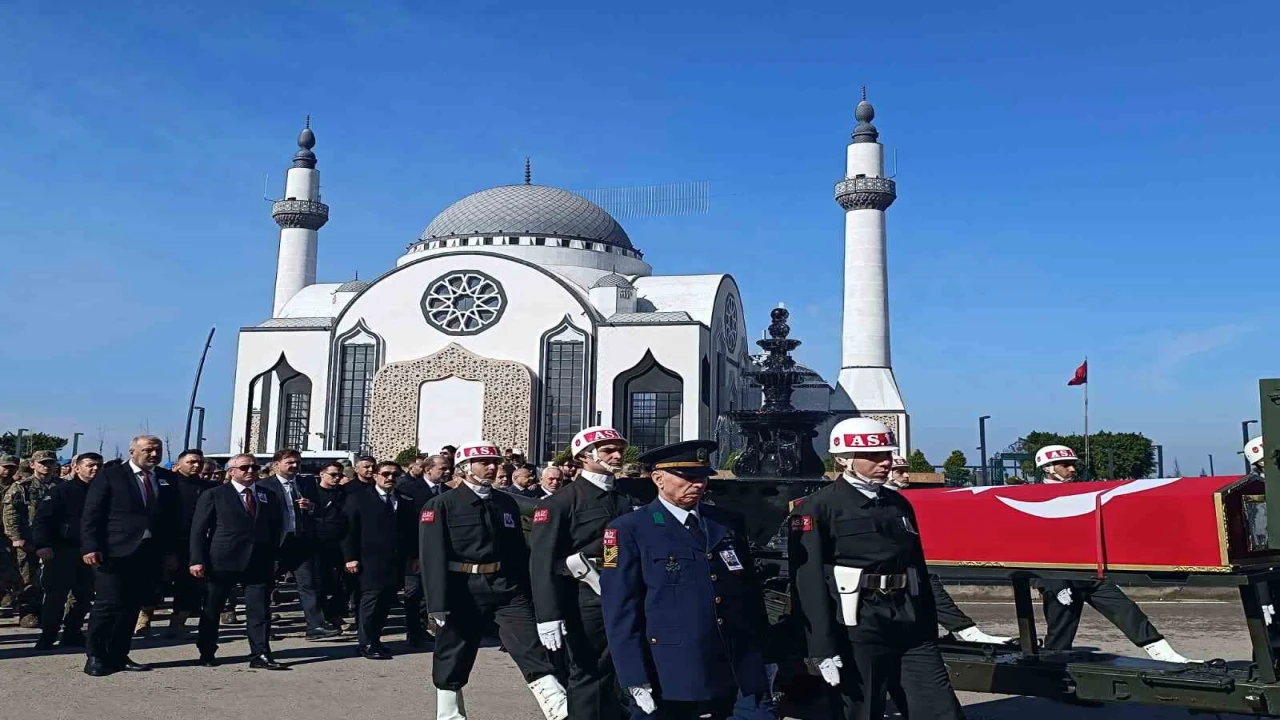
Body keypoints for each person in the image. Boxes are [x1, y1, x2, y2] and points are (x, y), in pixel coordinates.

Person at [789, 418, 964, 720]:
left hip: (909, 618)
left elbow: (917, 567)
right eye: (873, 456)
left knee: (939, 708)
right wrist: (820, 646)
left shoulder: (897, 503)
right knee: (863, 709)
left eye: (887, 454)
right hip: (858, 621)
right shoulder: (818, 508)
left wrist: (933, 622)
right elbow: (808, 582)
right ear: (844, 459)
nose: (885, 462)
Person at [601, 439, 774, 719]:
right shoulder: (631, 529)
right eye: (688, 478)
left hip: (735, 661)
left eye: (703, 477)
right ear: (658, 479)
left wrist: (766, 653)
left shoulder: (726, 522)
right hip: (672, 668)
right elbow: (621, 609)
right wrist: (633, 676)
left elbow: (748, 592)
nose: (698, 484)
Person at [420, 441, 567, 720]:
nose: (491, 467)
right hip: (461, 588)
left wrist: (529, 590)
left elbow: (516, 550)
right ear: (464, 468)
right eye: (484, 462)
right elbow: (431, 556)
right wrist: (436, 603)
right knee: (453, 653)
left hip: (504, 586)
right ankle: (449, 715)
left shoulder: (505, 502)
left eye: (494, 462)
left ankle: (560, 710)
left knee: (530, 646)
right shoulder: (441, 505)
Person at [1033, 445, 1194, 663]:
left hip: (1090, 572)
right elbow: (1037, 544)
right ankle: (1051, 675)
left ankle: (1167, 655)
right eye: (1066, 465)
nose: (1072, 469)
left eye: (1074, 465)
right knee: (1060, 633)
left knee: (1127, 610)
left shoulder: (1082, 492)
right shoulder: (1033, 498)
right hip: (1058, 577)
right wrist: (1054, 583)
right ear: (1048, 468)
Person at [531, 426, 642, 720]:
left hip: (626, 591)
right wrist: (548, 615)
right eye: (607, 450)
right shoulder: (561, 502)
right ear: (584, 456)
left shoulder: (623, 496)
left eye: (619, 449)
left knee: (619, 669)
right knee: (588, 671)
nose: (617, 455)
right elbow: (543, 562)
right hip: (586, 598)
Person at [81, 435, 179, 676]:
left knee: (131, 606)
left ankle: (119, 654)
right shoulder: (111, 475)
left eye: (158, 450)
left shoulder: (166, 478)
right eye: (148, 450)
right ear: (132, 451)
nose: (154, 454)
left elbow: (172, 519)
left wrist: (170, 553)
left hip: (148, 553)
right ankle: (95, 655)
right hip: (114, 551)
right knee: (108, 605)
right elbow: (92, 514)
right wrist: (90, 546)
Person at [190, 453, 287, 669]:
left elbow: (275, 528)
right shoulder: (215, 494)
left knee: (259, 610)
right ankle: (207, 651)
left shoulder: (267, 495)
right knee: (213, 609)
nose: (250, 471)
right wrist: (197, 559)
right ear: (231, 471)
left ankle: (260, 654)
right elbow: (198, 530)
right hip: (222, 560)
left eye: (254, 467)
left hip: (258, 561)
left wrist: (275, 558)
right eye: (244, 468)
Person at [260, 448, 340, 640]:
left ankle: (315, 626)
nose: (295, 466)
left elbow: (320, 511)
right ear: (276, 464)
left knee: (309, 584)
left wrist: (311, 507)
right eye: (290, 462)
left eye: (297, 462)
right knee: (265, 586)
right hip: (275, 543)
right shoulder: (265, 486)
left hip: (301, 541)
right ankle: (263, 628)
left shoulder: (306, 483)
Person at [343, 460, 418, 659]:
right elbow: (349, 530)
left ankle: (375, 640)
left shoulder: (404, 500)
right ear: (375, 475)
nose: (390, 478)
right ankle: (366, 643)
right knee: (371, 601)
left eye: (395, 475)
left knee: (385, 602)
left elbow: (411, 532)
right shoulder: (358, 498)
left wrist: (413, 556)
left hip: (395, 560)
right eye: (385, 474)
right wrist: (350, 558)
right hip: (368, 560)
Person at [140, 449, 217, 639]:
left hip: (194, 545)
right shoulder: (164, 482)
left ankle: (177, 624)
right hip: (163, 542)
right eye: (191, 462)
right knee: (155, 584)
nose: (196, 466)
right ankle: (144, 620)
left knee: (190, 586)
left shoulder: (207, 488)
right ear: (179, 463)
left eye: (199, 462)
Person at [31, 452, 102, 649]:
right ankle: (48, 634)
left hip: (90, 552)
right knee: (56, 595)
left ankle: (72, 631)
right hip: (62, 550)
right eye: (90, 465)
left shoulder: (104, 491)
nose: (95, 469)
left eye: (98, 465)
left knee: (84, 596)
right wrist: (42, 545)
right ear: (77, 468)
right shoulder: (61, 491)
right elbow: (42, 520)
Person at [3, 449, 64, 627]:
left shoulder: (61, 486)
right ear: (33, 465)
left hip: (55, 539)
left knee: (54, 578)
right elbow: (10, 513)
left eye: (50, 463)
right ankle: (27, 613)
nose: (46, 466)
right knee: (28, 578)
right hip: (28, 539)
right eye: (42, 463)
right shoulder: (22, 487)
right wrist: (15, 537)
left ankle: (49, 612)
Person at [397, 454, 450, 646]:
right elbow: (406, 525)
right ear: (428, 469)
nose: (446, 472)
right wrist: (413, 555)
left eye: (447, 468)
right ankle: (414, 631)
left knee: (434, 592)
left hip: (442, 551)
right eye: (442, 468)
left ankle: (429, 627)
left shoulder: (448, 491)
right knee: (414, 593)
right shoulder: (409, 490)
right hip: (416, 551)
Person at [313, 462, 353, 630]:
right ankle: (322, 617)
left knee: (343, 583)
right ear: (322, 474)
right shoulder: (313, 493)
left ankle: (334, 612)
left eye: (340, 475)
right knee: (319, 583)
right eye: (333, 475)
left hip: (340, 542)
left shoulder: (344, 494)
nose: (337, 478)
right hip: (318, 543)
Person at [0, 454, 20, 615]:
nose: (8, 470)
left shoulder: (18, 487)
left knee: (8, 567)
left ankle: (7, 596)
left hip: (8, 534)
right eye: (5, 467)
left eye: (12, 467)